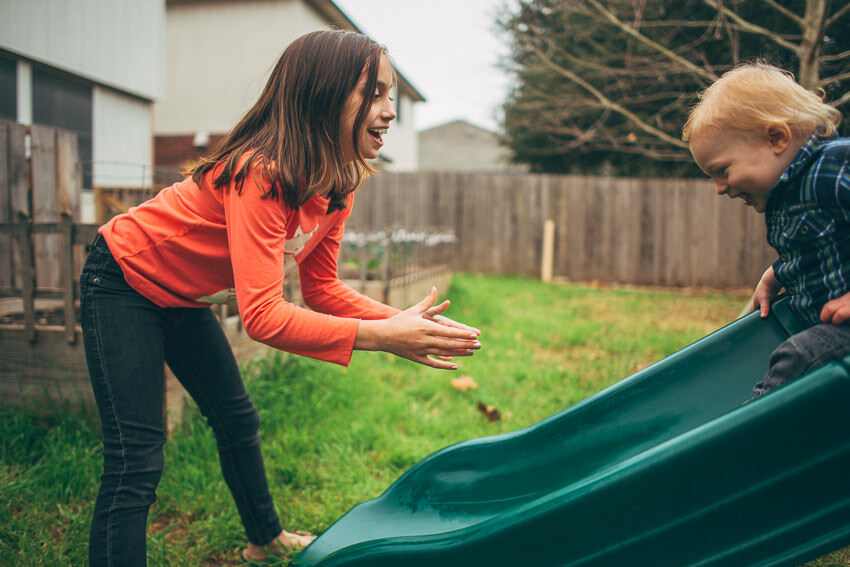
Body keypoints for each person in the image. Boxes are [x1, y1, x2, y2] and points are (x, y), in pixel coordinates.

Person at [80, 30, 481, 566]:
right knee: (137, 458)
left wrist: (400, 321)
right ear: (323, 93)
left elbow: (322, 289)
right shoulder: (261, 173)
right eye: (375, 93)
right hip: (124, 279)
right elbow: (263, 317)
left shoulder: (337, 184)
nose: (388, 112)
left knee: (236, 418)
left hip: (184, 297)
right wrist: (383, 336)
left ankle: (263, 538)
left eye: (391, 96)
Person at [682, 61, 850, 398]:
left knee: (798, 357)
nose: (719, 188)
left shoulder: (832, 168)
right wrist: (776, 275)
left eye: (722, 170)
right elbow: (821, 246)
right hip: (824, 324)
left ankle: (755, 426)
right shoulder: (789, 194)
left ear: (776, 138)